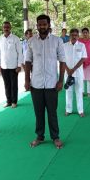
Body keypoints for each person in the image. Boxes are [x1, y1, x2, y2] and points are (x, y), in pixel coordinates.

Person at [24, 14, 66, 149]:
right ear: (37, 26)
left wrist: (60, 81)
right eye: (40, 24)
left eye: (44, 24)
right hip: (36, 83)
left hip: (51, 83)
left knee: (52, 112)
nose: (42, 26)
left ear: (49, 25)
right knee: (39, 112)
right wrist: (27, 80)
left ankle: (55, 137)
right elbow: (27, 62)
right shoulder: (31, 41)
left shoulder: (57, 41)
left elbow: (63, 61)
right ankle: (40, 136)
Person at [0, 21, 23, 108]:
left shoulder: (15, 38)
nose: (6, 28)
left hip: (14, 66)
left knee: (13, 85)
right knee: (6, 84)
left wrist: (19, 65)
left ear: (10, 28)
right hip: (4, 66)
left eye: (8, 27)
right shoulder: (0, 38)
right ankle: (8, 101)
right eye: (5, 27)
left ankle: (14, 101)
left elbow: (20, 52)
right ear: (2, 28)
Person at [63, 28, 87, 117]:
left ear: (78, 36)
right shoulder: (64, 46)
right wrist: (68, 70)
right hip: (68, 73)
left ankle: (80, 110)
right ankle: (68, 109)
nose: (74, 37)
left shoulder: (82, 45)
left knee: (79, 91)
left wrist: (73, 69)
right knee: (68, 91)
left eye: (76, 35)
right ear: (69, 35)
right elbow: (62, 59)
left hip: (78, 73)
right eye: (72, 35)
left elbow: (83, 58)